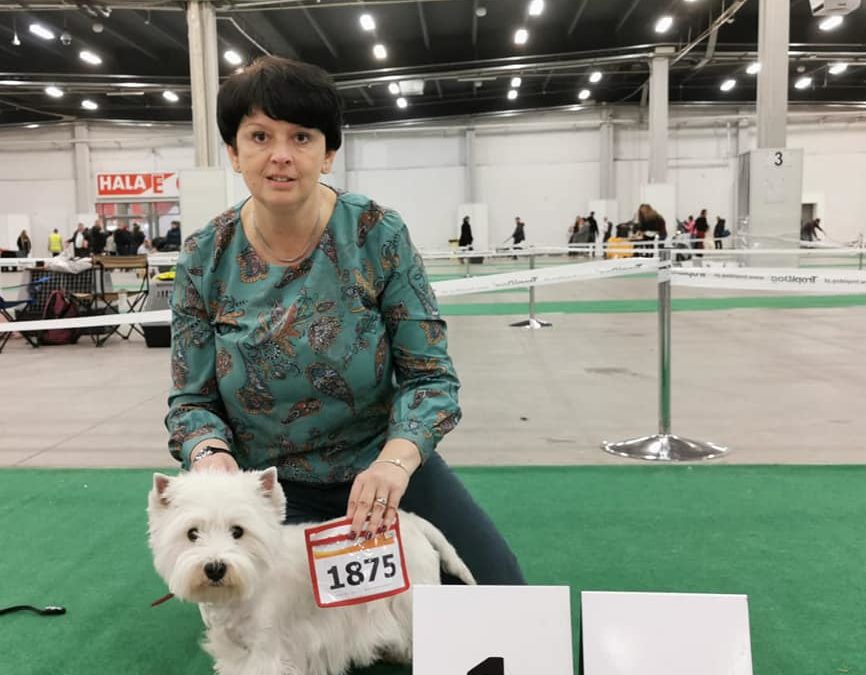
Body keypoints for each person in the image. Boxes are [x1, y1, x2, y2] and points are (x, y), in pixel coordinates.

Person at [165, 56, 524, 587]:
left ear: (328, 153)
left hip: (382, 470)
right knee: (287, 623)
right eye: (260, 137)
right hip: (267, 490)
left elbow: (431, 380)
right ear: (234, 153)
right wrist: (211, 456)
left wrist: (395, 463)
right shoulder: (203, 256)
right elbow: (191, 402)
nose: (281, 156)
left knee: (498, 592)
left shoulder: (378, 234)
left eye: (302, 137)